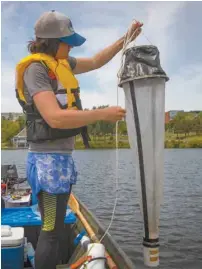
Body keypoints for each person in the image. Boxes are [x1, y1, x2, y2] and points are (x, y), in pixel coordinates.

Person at [15, 10, 143, 269]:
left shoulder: (62, 63)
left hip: (61, 161)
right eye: (68, 42)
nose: (71, 47)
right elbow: (53, 117)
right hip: (47, 163)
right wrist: (101, 114)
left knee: (57, 227)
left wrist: (125, 39)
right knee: (51, 230)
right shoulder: (36, 70)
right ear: (51, 41)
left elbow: (96, 61)